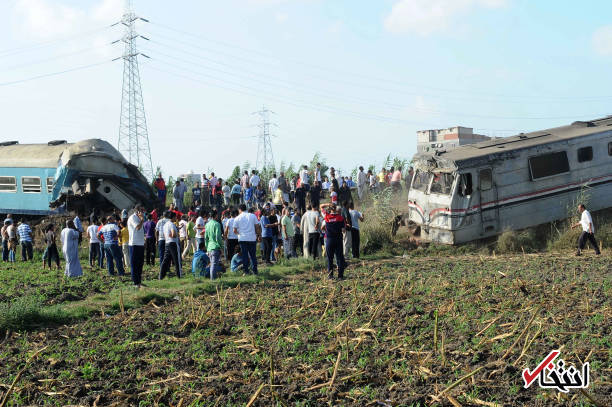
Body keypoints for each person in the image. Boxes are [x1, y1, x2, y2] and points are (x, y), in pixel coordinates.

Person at [233, 203, 261, 275]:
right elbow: (257, 226)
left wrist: (239, 234)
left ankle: (246, 271)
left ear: (239, 210)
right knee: (253, 256)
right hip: (252, 238)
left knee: (245, 256)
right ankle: (255, 271)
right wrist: (259, 235)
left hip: (242, 239)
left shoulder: (237, 218)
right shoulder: (252, 216)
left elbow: (234, 230)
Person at [320, 203, 346, 279]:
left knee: (330, 258)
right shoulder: (340, 218)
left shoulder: (326, 217)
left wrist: (328, 204)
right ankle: (340, 276)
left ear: (330, 209)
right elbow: (344, 230)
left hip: (329, 240)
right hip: (338, 239)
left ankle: (330, 275)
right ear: (336, 209)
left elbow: (321, 206)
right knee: (339, 257)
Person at [159, 211, 182, 279]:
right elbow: (173, 234)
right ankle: (179, 276)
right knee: (177, 260)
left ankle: (161, 276)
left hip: (167, 243)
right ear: (173, 217)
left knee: (165, 260)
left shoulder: (165, 225)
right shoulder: (172, 224)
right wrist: (175, 235)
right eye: (175, 217)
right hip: (173, 243)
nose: (176, 218)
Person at [128, 205, 146, 288]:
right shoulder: (133, 218)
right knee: (134, 264)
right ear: (137, 211)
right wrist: (142, 219)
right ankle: (135, 282)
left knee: (140, 264)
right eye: (142, 210)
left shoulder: (139, 218)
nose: (143, 212)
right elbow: (138, 227)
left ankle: (139, 281)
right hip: (134, 244)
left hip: (140, 243)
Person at [205, 209, 224, 280]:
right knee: (214, 265)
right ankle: (213, 280)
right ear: (216, 215)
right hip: (215, 247)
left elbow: (206, 237)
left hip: (209, 247)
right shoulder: (217, 224)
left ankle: (213, 278)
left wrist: (207, 247)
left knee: (212, 264)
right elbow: (218, 237)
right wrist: (221, 246)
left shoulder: (207, 224)